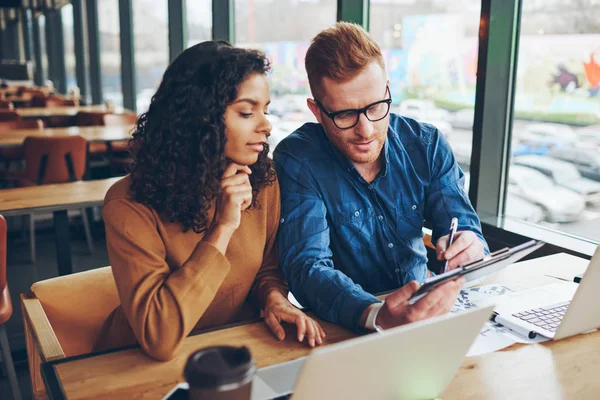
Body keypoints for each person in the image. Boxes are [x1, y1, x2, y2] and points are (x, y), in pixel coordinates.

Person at [94, 41, 325, 361]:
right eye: (247, 111)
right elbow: (158, 336)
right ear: (199, 118)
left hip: (229, 351)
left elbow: (267, 268)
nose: (266, 124)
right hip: (135, 364)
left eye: (266, 109)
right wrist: (223, 226)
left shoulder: (262, 179)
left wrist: (273, 297)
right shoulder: (128, 204)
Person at [273, 22, 488, 333]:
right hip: (346, 327)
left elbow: (465, 228)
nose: (366, 130)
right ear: (317, 111)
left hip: (428, 313)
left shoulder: (425, 144)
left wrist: (470, 247)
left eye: (376, 106)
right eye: (345, 114)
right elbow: (307, 268)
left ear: (388, 89)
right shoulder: (298, 159)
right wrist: (377, 314)